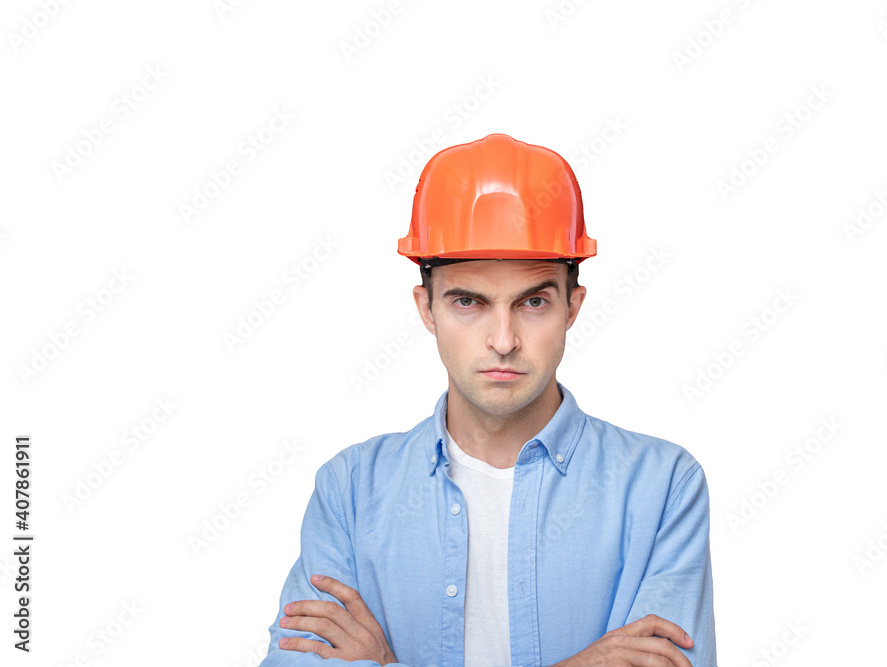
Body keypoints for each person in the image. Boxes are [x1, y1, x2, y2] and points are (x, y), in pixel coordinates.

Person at [259, 133, 717, 667]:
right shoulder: (351, 492)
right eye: (469, 301)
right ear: (427, 309)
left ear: (573, 306)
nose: (503, 339)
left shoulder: (663, 487)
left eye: (533, 301)